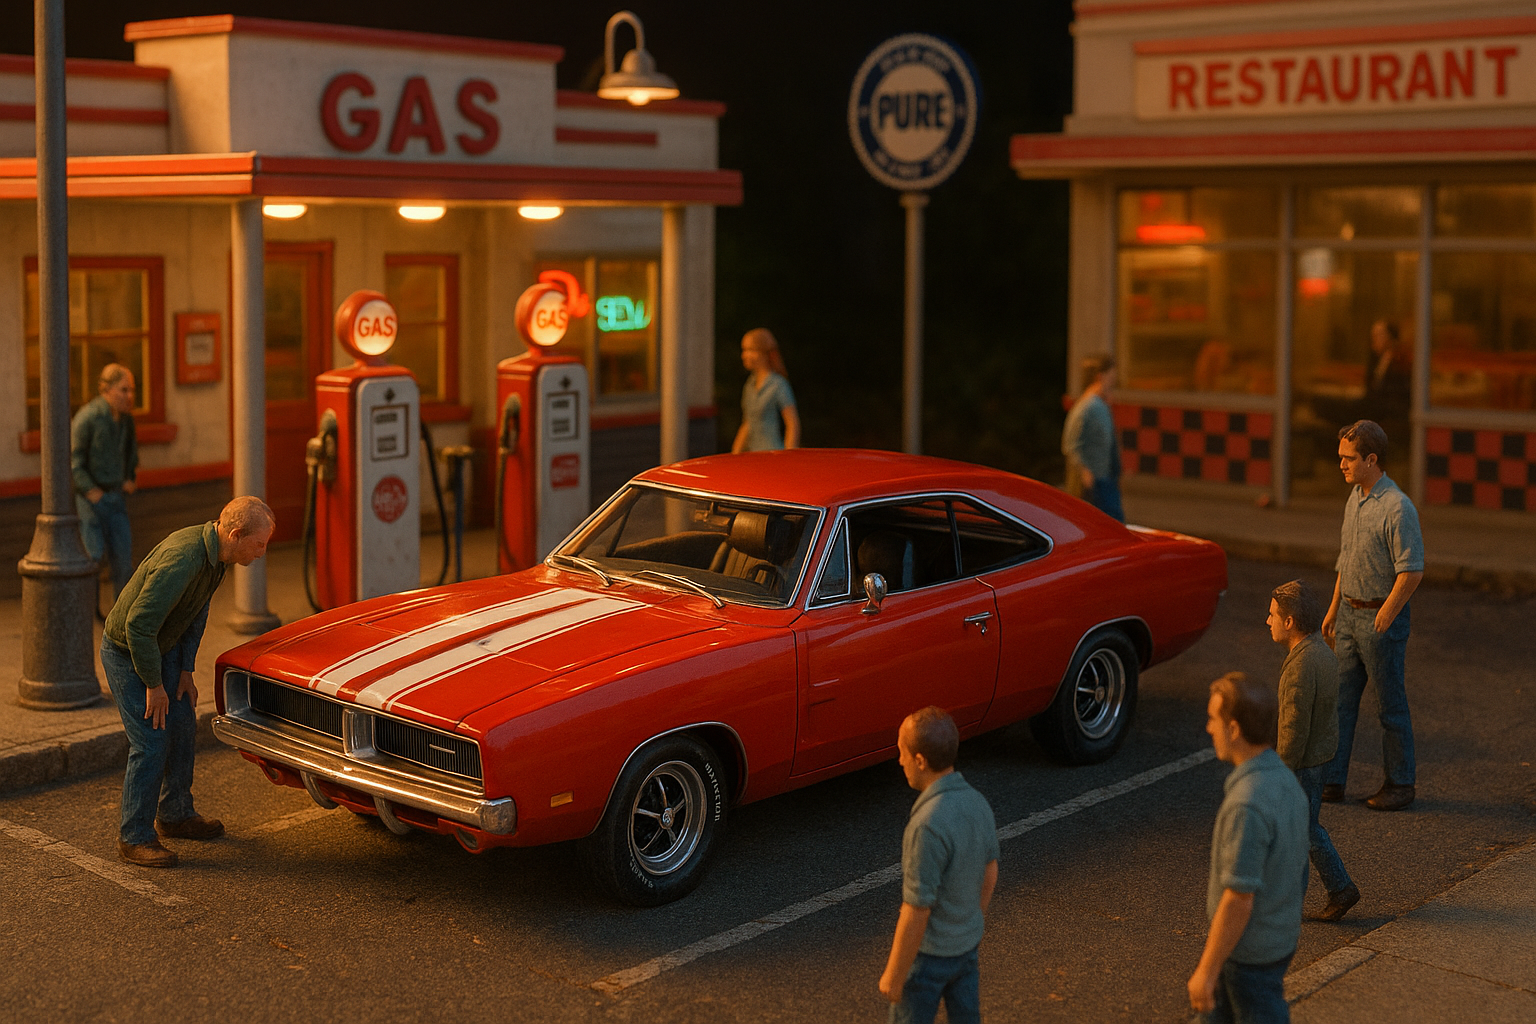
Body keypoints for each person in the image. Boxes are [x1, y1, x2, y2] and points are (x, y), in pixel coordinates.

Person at [104, 495, 275, 868]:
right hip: (129, 651)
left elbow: (195, 613)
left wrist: (184, 671)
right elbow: (138, 626)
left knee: (182, 725)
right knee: (151, 741)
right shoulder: (183, 560)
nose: (262, 552)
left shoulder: (218, 558)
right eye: (259, 544)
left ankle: (175, 814)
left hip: (162, 649)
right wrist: (153, 685)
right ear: (235, 534)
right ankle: (134, 837)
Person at [1188, 672, 1309, 1023]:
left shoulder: (1247, 805)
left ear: (1235, 729)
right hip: (1277, 938)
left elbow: (1239, 897)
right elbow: (1298, 868)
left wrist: (1206, 971)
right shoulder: (1286, 781)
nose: (1210, 728)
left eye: (1214, 719)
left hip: (1248, 953)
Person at [1322, 420, 1424, 812]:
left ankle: (1400, 783)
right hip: (1349, 614)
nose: (1342, 465)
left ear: (1371, 459)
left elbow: (1411, 570)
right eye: (1341, 458)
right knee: (1341, 702)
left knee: (1390, 707)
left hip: (1379, 620)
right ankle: (1332, 780)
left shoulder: (1398, 508)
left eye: (1348, 459)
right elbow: (1345, 560)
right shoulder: (1355, 498)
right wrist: (1334, 608)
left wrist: (1388, 612)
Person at [879, 707, 999, 1024]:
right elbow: (990, 870)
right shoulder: (978, 802)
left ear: (920, 760)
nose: (899, 761)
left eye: (902, 752)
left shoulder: (926, 825)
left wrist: (895, 973)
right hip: (965, 950)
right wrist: (972, 921)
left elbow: (918, 908)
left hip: (928, 958)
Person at [1267, 580, 1359, 921]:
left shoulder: (1300, 666)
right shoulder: (1322, 651)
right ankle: (1332, 890)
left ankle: (1339, 888)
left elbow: (1293, 728)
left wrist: (1280, 771)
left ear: (1289, 622)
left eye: (1273, 614)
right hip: (1321, 754)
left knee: (1304, 831)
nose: (1268, 620)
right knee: (1302, 829)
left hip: (1303, 763)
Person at [71, 363, 139, 599]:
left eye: (132, 390)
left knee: (123, 557)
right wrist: (89, 490)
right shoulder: (88, 418)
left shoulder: (126, 420)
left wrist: (130, 477)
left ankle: (121, 614)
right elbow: (74, 460)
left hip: (116, 495)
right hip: (92, 499)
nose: (129, 396)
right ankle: (87, 611)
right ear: (105, 389)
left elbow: (131, 451)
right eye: (123, 390)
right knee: (93, 555)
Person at [1062, 355, 1123, 522]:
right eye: (1111, 376)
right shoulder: (1088, 408)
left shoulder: (1100, 406)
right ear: (1100, 377)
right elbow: (1070, 443)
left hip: (1104, 478)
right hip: (1095, 483)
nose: (1113, 382)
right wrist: (1084, 471)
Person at [731, 327, 800, 453]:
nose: (744, 355)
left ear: (762, 353)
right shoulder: (750, 384)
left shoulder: (778, 384)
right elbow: (748, 422)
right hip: (752, 454)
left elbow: (792, 423)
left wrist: (789, 454)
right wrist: (735, 452)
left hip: (771, 453)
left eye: (749, 350)